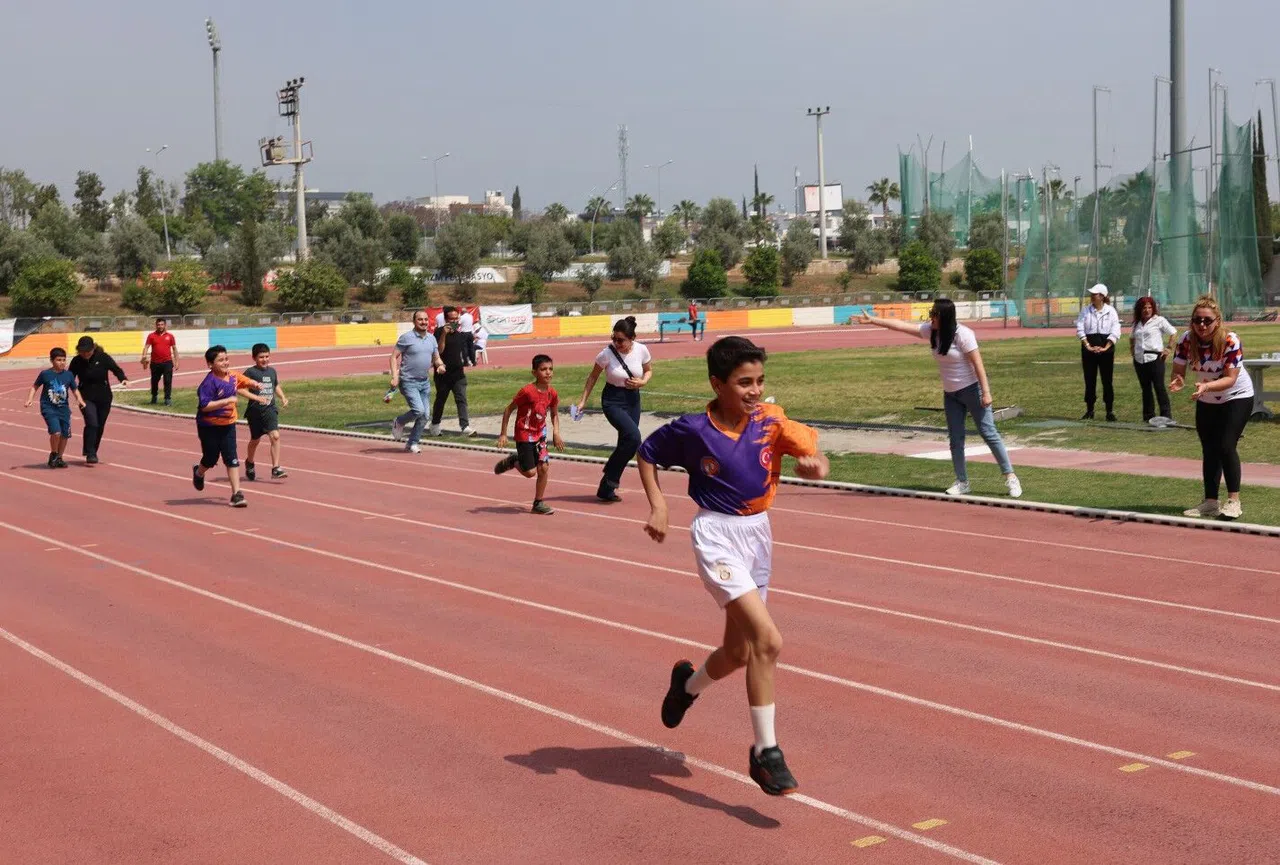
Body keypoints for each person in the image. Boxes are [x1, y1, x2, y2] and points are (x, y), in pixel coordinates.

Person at [637, 336, 830, 797]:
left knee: (739, 653)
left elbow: (811, 450)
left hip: (758, 536)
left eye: (760, 380)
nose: (755, 390)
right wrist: (659, 505)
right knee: (768, 640)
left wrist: (816, 465)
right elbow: (646, 454)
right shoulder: (692, 430)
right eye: (745, 382)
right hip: (716, 536)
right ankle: (766, 752)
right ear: (717, 384)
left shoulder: (771, 420)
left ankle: (687, 687)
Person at [860, 301, 1021, 498]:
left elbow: (978, 365)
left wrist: (986, 393)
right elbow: (901, 326)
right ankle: (962, 482)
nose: (930, 317)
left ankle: (1010, 476)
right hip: (951, 395)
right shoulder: (931, 331)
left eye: (934, 314)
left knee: (988, 432)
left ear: (944, 316)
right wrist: (872, 320)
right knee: (955, 439)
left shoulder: (963, 334)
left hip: (973, 391)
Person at [1170, 295, 1255, 521]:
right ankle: (1210, 502)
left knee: (1226, 445)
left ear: (1218, 321)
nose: (1202, 325)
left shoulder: (1230, 340)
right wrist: (1178, 379)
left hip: (1236, 396)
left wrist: (1206, 386)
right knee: (1209, 449)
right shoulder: (1186, 340)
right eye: (1197, 320)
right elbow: (1178, 369)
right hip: (1206, 398)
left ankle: (1234, 501)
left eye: (1207, 320)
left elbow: (1230, 378)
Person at [573, 316, 652, 503]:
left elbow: (648, 370)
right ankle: (610, 471)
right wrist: (583, 401)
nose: (616, 343)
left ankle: (607, 488)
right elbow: (592, 377)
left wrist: (643, 382)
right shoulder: (606, 354)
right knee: (634, 437)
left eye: (621, 340)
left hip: (633, 399)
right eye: (614, 339)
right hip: (612, 400)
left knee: (627, 442)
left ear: (632, 338)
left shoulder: (641, 350)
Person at [193, 345, 267, 508]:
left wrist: (254, 384)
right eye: (220, 360)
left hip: (228, 425)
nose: (225, 362)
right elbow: (204, 406)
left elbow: (243, 381)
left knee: (231, 457)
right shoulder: (208, 383)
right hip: (209, 426)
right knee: (210, 458)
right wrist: (226, 401)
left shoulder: (232, 375)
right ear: (210, 364)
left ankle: (236, 494)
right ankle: (199, 472)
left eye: (226, 359)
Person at [494, 354, 564, 515]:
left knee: (544, 467)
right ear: (534, 372)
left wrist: (556, 433)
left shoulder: (552, 393)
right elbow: (508, 410)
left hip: (540, 434)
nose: (548, 372)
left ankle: (538, 503)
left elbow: (554, 414)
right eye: (543, 369)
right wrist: (503, 434)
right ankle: (514, 461)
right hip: (524, 434)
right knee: (530, 473)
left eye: (550, 369)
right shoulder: (527, 391)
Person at [390, 310, 446, 454]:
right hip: (408, 381)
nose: (423, 322)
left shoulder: (431, 339)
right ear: (414, 322)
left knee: (425, 416)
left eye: (426, 319)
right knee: (419, 410)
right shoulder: (406, 338)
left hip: (424, 382)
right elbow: (393, 357)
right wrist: (395, 376)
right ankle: (399, 421)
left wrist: (440, 365)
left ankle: (412, 443)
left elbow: (436, 357)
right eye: (420, 319)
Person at [69, 335, 129, 465]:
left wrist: (123, 378)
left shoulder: (103, 357)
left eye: (88, 351)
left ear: (93, 348)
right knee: (92, 423)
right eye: (82, 351)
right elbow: (70, 377)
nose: (85, 354)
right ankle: (90, 453)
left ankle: (93, 451)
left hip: (104, 397)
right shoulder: (76, 361)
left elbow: (116, 369)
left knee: (100, 425)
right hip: (85, 397)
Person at [25, 347, 85, 469]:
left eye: (64, 360)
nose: (62, 362)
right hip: (49, 408)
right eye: (58, 360)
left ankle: (59, 458)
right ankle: (53, 453)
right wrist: (30, 399)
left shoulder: (68, 375)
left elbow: (75, 389)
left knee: (65, 434)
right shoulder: (45, 374)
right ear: (52, 361)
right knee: (56, 432)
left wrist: (80, 399)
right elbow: (35, 386)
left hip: (64, 409)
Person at [242, 343, 290, 481]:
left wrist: (283, 397)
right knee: (255, 440)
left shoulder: (272, 371)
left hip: (270, 409)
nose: (265, 359)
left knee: (275, 436)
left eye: (267, 356)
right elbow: (240, 388)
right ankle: (250, 462)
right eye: (261, 357)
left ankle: (276, 468)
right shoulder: (250, 372)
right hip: (255, 412)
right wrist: (255, 397)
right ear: (254, 358)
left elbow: (275, 385)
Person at [1075, 285, 1121, 421]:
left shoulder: (1111, 311)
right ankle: (1090, 410)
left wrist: (1106, 347)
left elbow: (1116, 330)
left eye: (1094, 294)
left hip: (1106, 349)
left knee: (1107, 380)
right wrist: (1088, 346)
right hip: (1088, 350)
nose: (1092, 296)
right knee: (1089, 380)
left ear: (1102, 296)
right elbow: (1080, 328)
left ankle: (1109, 411)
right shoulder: (1085, 311)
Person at [1129, 296, 1177, 423]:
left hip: (1155, 358)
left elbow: (1173, 332)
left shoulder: (1159, 320)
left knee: (1159, 387)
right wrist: (1133, 350)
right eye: (1144, 308)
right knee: (1145, 389)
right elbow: (1132, 338)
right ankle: (1148, 416)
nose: (1147, 310)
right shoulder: (1136, 323)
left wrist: (1168, 348)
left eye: (1149, 307)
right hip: (1140, 360)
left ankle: (1166, 415)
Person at [430, 306, 477, 436]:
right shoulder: (438, 332)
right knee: (441, 400)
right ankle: (435, 424)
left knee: (461, 399)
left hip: (458, 374)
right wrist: (444, 334)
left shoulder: (459, 334)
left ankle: (465, 426)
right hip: (443, 374)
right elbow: (439, 351)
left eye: (457, 318)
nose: (455, 321)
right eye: (452, 319)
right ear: (446, 319)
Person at [141, 317, 179, 406]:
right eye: (158, 325)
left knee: (167, 381)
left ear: (165, 325)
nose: (160, 326)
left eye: (162, 324)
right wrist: (144, 357)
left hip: (167, 362)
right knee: (154, 381)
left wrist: (177, 362)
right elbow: (146, 347)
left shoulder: (170, 336)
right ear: (156, 325)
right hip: (155, 363)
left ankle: (167, 399)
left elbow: (174, 349)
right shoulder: (151, 336)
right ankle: (154, 396)